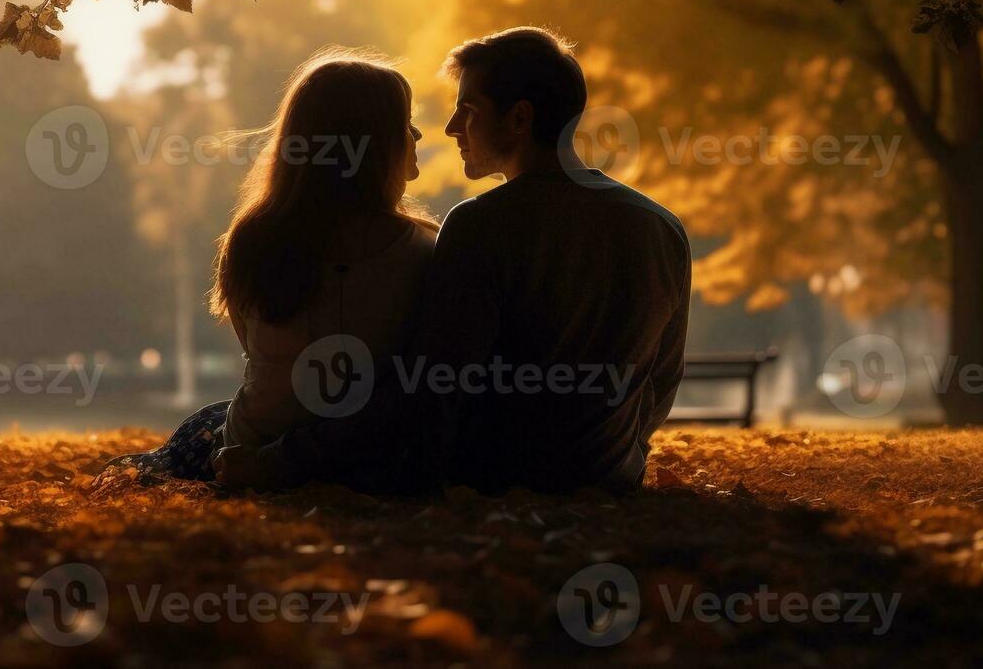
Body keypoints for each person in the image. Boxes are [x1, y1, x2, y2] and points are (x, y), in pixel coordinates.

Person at [216, 27, 691, 495]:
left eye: (468, 110)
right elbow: (661, 380)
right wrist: (620, 458)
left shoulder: (481, 225)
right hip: (612, 474)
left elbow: (432, 387)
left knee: (211, 424)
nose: (449, 128)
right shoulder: (663, 228)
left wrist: (280, 463)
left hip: (496, 478)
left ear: (519, 119)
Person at [101, 48, 438, 485]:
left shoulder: (254, 238)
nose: (418, 134)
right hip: (365, 456)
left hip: (248, 446)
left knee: (192, 433)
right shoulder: (427, 249)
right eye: (405, 121)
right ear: (376, 143)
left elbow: (256, 352)